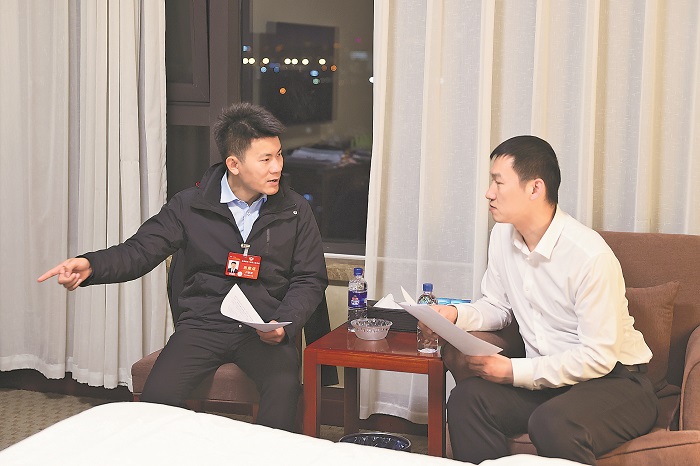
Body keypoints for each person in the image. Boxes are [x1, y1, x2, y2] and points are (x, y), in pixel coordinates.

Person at [37, 102, 328, 432]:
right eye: (265, 159)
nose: (277, 167)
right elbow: (140, 250)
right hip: (203, 325)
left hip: (264, 329)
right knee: (156, 403)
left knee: (283, 391)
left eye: (279, 155)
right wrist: (92, 264)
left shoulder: (294, 209)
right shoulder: (190, 205)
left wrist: (283, 324)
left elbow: (309, 278)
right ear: (234, 164)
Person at [425, 136, 658, 464]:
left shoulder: (589, 256)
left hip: (616, 382)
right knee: (466, 399)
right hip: (550, 380)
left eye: (498, 182)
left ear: (535, 188)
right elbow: (498, 306)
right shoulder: (502, 235)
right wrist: (453, 315)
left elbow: (598, 357)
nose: (489, 193)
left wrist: (513, 371)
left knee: (552, 423)